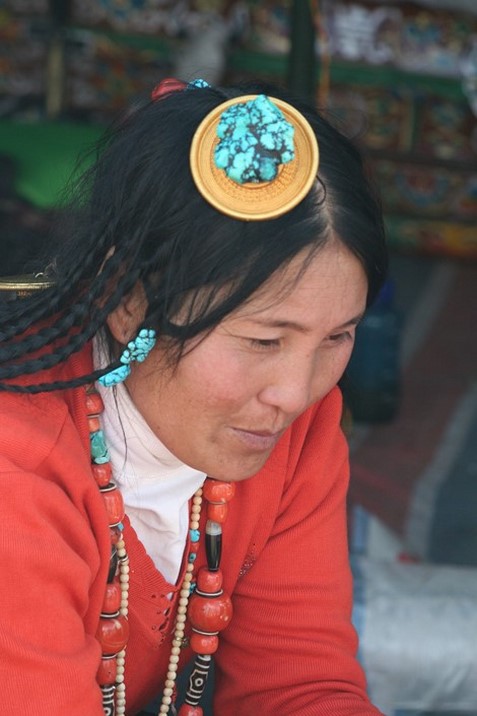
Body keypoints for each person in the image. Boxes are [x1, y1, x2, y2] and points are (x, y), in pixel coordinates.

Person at [0, 77, 387, 716]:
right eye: (264, 340)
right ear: (128, 301)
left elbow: (299, 685)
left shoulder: (297, 430)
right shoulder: (16, 477)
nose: (295, 393)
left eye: (337, 337)